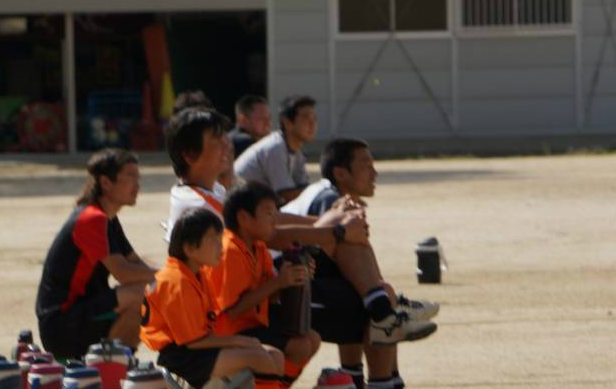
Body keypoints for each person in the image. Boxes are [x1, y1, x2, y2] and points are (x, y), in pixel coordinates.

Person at [164, 105, 434, 347]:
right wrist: (334, 230)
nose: (227, 145)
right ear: (190, 155)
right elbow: (268, 233)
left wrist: (327, 223)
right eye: (217, 140)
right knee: (363, 288)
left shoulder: (212, 191)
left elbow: (271, 219)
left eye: (225, 138)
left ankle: (382, 312)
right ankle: (383, 318)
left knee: (366, 279)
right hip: (249, 293)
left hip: (260, 276)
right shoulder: (197, 203)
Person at [140, 208, 334, 389]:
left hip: (196, 347)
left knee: (273, 355)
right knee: (259, 356)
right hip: (182, 356)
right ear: (189, 248)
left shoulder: (194, 274)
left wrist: (243, 342)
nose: (219, 246)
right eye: (213, 240)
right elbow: (193, 341)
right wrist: (241, 341)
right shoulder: (176, 280)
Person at [287, 138, 449, 389]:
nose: (375, 173)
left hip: (299, 283)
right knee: (378, 303)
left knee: (371, 294)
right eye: (366, 165)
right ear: (340, 173)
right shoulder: (329, 199)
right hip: (283, 291)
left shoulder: (327, 194)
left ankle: (362, 386)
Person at [208, 183, 328, 389]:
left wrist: (294, 276)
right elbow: (230, 311)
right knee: (298, 346)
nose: (275, 220)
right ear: (244, 217)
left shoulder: (257, 247)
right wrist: (278, 283)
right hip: (226, 332)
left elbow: (270, 294)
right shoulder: (230, 250)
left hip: (250, 324)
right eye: (268, 214)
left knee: (311, 338)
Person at [35, 149, 156, 359]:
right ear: (106, 183)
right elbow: (124, 273)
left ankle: (117, 366)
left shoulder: (109, 219)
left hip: (82, 313)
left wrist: (169, 279)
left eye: (139, 178)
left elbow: (136, 263)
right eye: (130, 177)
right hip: (62, 325)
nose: (138, 185)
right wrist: (169, 276)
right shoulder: (92, 218)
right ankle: (110, 367)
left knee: (152, 294)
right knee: (143, 294)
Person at [233, 94, 314, 205]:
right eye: (306, 117)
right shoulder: (274, 147)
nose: (312, 123)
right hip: (240, 206)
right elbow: (287, 195)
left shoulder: (296, 151)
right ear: (287, 122)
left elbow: (303, 187)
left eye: (314, 118)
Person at [229, 94, 271, 160]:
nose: (268, 123)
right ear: (242, 120)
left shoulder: (229, 139)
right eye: (262, 119)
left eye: (269, 119)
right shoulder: (243, 142)